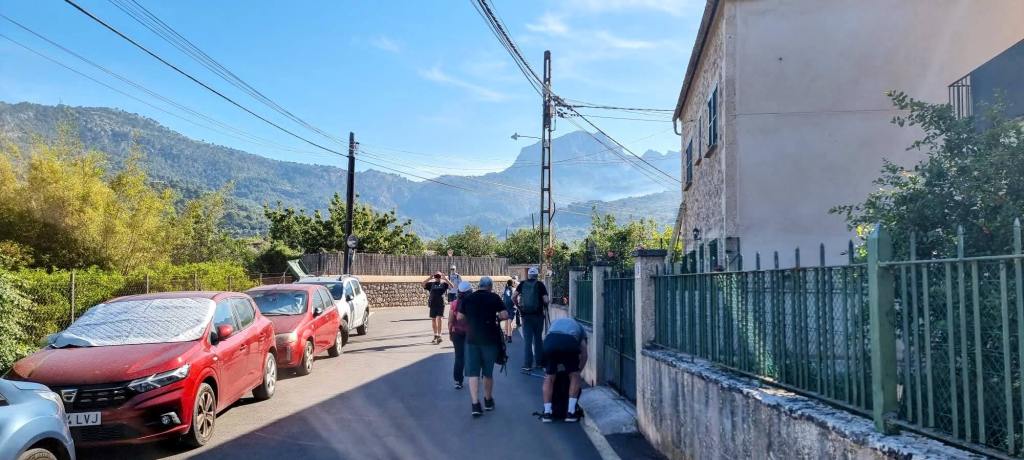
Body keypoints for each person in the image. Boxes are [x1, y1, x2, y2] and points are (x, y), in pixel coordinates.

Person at [457, 276, 508, 417]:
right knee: (487, 373)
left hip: (471, 339)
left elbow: (459, 317)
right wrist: (495, 318)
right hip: (489, 340)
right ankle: (488, 401)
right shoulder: (494, 297)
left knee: (473, 373)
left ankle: (475, 404)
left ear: (479, 286)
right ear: (490, 286)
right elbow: (504, 315)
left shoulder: (468, 298)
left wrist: (471, 323)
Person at [541, 317, 588, 423]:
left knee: (550, 376)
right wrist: (577, 372)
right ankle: (570, 413)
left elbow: (547, 343)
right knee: (574, 375)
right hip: (569, 342)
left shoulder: (554, 323)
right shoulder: (580, 328)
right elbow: (584, 354)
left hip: (550, 342)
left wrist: (547, 368)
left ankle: (547, 413)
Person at [514, 266, 549, 372]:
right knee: (538, 339)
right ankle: (539, 363)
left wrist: (519, 308)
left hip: (526, 316)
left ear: (528, 275)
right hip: (538, 316)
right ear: (537, 275)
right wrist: (544, 304)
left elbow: (513, 297)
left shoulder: (522, 284)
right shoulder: (540, 285)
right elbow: (546, 300)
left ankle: (527, 364)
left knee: (528, 341)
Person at [448, 281, 472, 390]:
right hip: (469, 333)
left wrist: (450, 333)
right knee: (471, 355)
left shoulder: (454, 303)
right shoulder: (473, 304)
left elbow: (450, 321)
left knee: (459, 357)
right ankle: (474, 377)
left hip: (456, 333)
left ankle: (458, 381)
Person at [423, 272, 453, 344]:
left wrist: (445, 279)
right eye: (436, 276)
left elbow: (452, 286)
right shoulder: (431, 284)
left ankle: (439, 335)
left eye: (438, 276)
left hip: (441, 304)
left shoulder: (444, 284)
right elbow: (423, 284)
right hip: (433, 304)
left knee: (439, 319)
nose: (437, 277)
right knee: (433, 319)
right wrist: (430, 278)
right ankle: (435, 334)